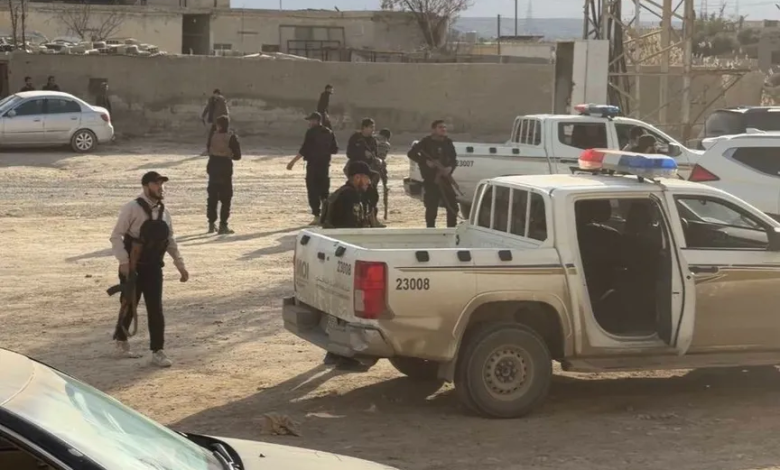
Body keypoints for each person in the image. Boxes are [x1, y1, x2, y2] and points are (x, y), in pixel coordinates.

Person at [109, 171, 189, 368]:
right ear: (146, 186)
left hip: (154, 267)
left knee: (156, 309)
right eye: (156, 184)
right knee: (129, 304)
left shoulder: (164, 212)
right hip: (133, 266)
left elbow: (170, 240)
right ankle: (121, 340)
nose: (160, 188)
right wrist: (124, 261)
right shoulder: (132, 208)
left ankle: (157, 351)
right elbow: (116, 236)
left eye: (162, 184)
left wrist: (180, 265)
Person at [319, 160, 378, 370]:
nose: (369, 182)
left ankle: (335, 353)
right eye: (367, 178)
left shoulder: (345, 194)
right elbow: (353, 230)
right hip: (343, 256)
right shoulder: (349, 197)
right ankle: (342, 355)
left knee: (339, 308)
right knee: (345, 309)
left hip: (336, 254)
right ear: (357, 177)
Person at [287, 112, 339, 225]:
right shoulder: (329, 132)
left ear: (316, 121)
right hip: (325, 166)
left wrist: (292, 162)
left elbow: (304, 149)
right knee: (324, 192)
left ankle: (317, 216)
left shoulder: (311, 132)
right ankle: (326, 215)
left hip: (313, 166)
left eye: (311, 120)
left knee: (313, 190)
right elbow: (335, 149)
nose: (309, 123)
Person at [408, 120, 459, 228]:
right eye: (440, 127)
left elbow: (454, 159)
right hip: (431, 180)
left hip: (445, 179)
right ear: (434, 129)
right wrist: (425, 162)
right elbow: (411, 154)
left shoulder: (448, 142)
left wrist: (450, 168)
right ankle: (430, 230)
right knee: (431, 208)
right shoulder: (426, 142)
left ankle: (451, 230)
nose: (443, 129)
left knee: (453, 207)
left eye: (444, 127)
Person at [207, 115, 242, 234]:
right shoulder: (231, 137)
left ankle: (211, 224)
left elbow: (208, 148)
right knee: (226, 199)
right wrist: (228, 154)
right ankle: (223, 225)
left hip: (213, 167)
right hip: (225, 169)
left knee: (212, 198)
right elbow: (238, 156)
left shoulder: (213, 136)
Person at [347, 118, 382, 226]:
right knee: (357, 196)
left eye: (373, 127)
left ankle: (372, 218)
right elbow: (349, 153)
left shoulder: (373, 141)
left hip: (368, 172)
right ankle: (357, 219)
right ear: (364, 127)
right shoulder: (355, 138)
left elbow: (375, 155)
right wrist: (362, 153)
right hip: (356, 172)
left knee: (372, 195)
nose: (373, 129)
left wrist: (376, 159)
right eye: (371, 127)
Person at [200, 89, 229, 156]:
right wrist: (203, 115)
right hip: (215, 122)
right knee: (211, 136)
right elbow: (207, 108)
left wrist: (224, 121)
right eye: (214, 94)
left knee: (222, 136)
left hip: (222, 122)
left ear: (218, 94)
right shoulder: (212, 101)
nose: (215, 96)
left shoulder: (221, 100)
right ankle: (209, 150)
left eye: (216, 94)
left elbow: (225, 111)